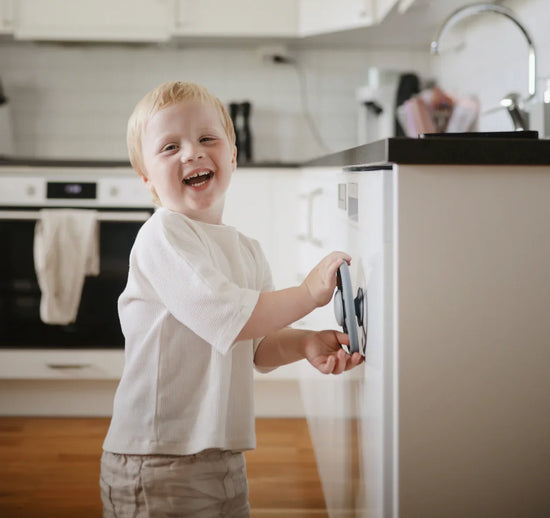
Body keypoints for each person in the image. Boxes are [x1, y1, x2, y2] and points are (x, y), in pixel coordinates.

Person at [100, 80, 364, 517]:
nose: (192, 153)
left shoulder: (246, 250)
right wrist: (307, 293)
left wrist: (302, 342)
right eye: (170, 147)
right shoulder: (163, 235)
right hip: (158, 458)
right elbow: (231, 318)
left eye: (207, 139)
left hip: (221, 455)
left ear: (233, 155)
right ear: (146, 177)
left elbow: (256, 345)